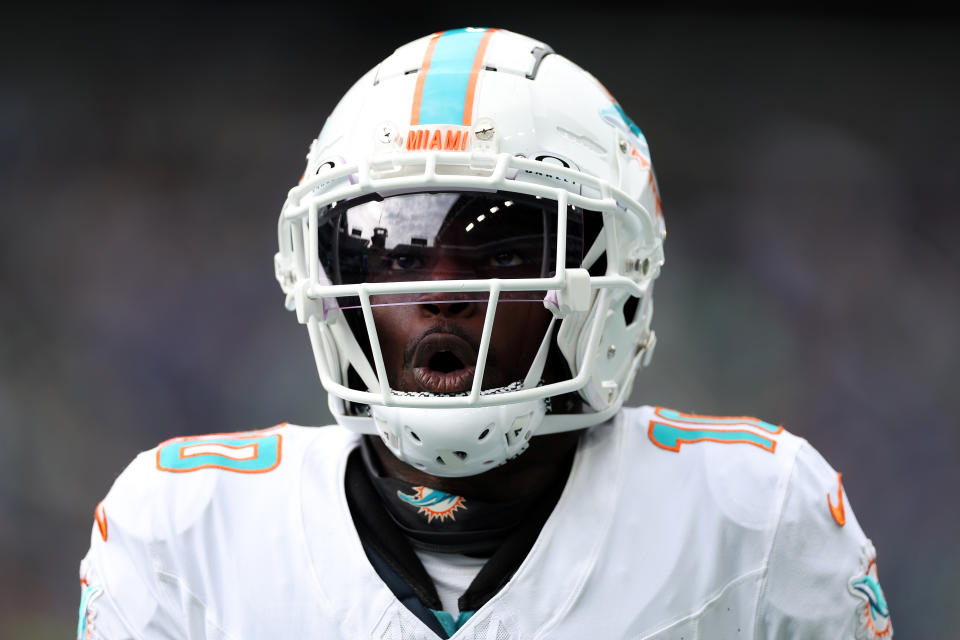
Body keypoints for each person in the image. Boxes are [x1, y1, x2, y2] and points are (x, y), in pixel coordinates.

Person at [78, 27, 891, 639]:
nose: (444, 292)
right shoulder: (185, 530)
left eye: (503, 249)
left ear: (618, 276)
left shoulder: (751, 517)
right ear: (325, 276)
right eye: (390, 250)